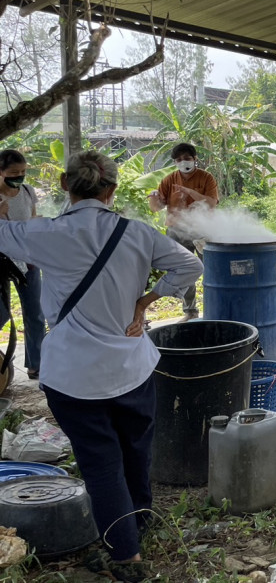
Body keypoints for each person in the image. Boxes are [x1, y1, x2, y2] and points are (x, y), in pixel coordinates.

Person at [0, 151, 202, 583]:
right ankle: (139, 522)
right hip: (133, 367)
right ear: (112, 189)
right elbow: (191, 264)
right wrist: (145, 302)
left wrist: (3, 200)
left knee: (100, 465)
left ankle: (126, 556)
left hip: (73, 376)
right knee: (135, 451)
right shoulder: (137, 233)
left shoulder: (46, 234)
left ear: (64, 184)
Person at [148, 143, 218, 322]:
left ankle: (216, 308)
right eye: (178, 159)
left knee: (212, 270)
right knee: (184, 271)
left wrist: (189, 192)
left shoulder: (206, 178)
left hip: (202, 231)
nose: (183, 162)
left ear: (195, 159)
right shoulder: (169, 180)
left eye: (187, 158)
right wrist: (153, 199)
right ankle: (190, 311)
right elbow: (156, 208)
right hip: (176, 232)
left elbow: (211, 203)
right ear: (174, 162)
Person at [0, 149, 47, 380]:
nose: (19, 176)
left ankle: (36, 364)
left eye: (22, 171)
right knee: (2, 314)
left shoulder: (27, 191)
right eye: (13, 173)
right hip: (2, 262)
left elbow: (32, 217)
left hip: (28, 260)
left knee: (35, 312)